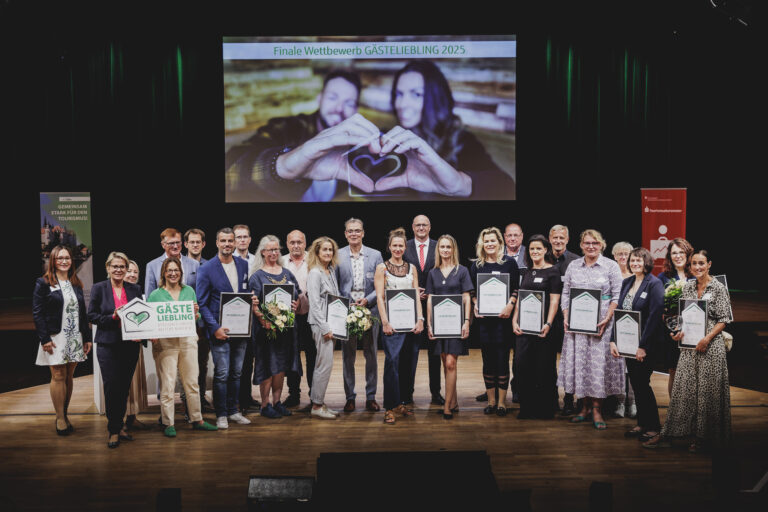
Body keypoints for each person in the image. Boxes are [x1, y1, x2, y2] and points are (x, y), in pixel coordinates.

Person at [225, 70, 377, 202]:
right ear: (320, 98)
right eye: (332, 97)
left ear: (356, 109)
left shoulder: (358, 145)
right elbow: (230, 168)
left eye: (349, 103)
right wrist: (283, 166)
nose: (339, 108)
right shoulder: (287, 128)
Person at [375, 60, 514, 200]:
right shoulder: (392, 137)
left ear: (435, 98)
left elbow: (505, 186)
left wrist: (460, 183)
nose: (402, 104)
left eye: (416, 94)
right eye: (399, 94)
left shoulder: (461, 141)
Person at [645, 250, 732, 452]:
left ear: (709, 264)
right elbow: (685, 316)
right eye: (694, 264)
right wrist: (678, 332)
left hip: (710, 347)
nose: (698, 267)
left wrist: (707, 338)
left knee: (707, 394)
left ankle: (703, 438)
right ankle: (670, 433)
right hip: (688, 347)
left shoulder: (718, 287)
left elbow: (724, 319)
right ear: (690, 266)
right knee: (682, 391)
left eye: (701, 263)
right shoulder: (689, 286)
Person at [559, 229, 624, 430]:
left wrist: (607, 318)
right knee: (581, 365)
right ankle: (584, 407)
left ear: (601, 245)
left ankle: (597, 409)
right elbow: (566, 293)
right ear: (580, 245)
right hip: (577, 326)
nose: (591, 246)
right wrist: (566, 315)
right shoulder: (573, 266)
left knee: (597, 367)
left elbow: (617, 296)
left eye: (595, 243)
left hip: (601, 326)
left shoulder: (611, 266)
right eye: (587, 243)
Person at [147, 258, 218, 437]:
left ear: (181, 272)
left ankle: (197, 419)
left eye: (176, 270)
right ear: (163, 273)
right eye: (169, 270)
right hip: (165, 343)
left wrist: (195, 312)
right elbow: (150, 319)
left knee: (192, 383)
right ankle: (168, 422)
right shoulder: (155, 294)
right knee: (168, 384)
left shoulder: (189, 291)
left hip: (187, 341)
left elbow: (196, 316)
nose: (173, 273)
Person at [196, 228, 255, 430]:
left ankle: (233, 410)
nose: (228, 244)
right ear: (217, 242)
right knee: (222, 373)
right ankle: (221, 414)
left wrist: (252, 298)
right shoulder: (207, 268)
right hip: (220, 331)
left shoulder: (244, 264)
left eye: (231, 240)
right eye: (224, 240)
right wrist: (214, 328)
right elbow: (202, 303)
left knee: (237, 373)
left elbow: (245, 293)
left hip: (241, 330)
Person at [33, 245, 92, 436]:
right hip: (54, 337)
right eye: (60, 258)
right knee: (58, 375)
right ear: (53, 261)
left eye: (67, 258)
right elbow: (38, 312)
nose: (64, 261)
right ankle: (59, 418)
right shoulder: (43, 283)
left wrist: (86, 337)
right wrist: (44, 339)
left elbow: (82, 313)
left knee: (68, 376)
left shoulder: (75, 283)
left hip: (74, 336)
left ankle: (65, 414)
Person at [88, 252, 143, 448]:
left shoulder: (135, 289)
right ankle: (113, 430)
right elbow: (92, 316)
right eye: (115, 266)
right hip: (107, 345)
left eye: (122, 267)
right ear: (108, 268)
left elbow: (141, 315)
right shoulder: (99, 288)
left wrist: (142, 334)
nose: (119, 270)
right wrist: (112, 318)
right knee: (112, 387)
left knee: (123, 388)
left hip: (130, 346)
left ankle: (119, 426)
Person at [609, 247, 664, 442]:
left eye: (639, 260)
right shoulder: (627, 282)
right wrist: (613, 340)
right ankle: (642, 423)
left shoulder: (654, 284)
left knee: (643, 385)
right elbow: (619, 315)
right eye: (632, 260)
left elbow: (654, 317)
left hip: (645, 345)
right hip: (627, 344)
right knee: (636, 384)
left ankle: (654, 427)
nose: (635, 263)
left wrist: (643, 346)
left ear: (647, 262)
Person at [469, 227, 520, 417]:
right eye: (486, 241)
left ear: (499, 242)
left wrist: (510, 305)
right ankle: (491, 401)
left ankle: (501, 402)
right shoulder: (477, 265)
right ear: (482, 244)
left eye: (493, 240)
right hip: (485, 322)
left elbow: (516, 288)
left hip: (503, 321)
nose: (490, 244)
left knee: (501, 361)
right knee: (488, 361)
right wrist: (475, 304)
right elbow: (471, 291)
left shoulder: (509, 263)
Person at [249, 235, 301, 419]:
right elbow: (254, 304)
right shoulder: (257, 276)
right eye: (270, 249)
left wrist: (296, 304)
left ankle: (277, 402)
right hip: (265, 330)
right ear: (262, 252)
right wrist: (264, 320)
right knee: (267, 366)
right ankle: (264, 405)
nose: (274, 252)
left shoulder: (287, 273)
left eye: (276, 249)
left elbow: (298, 295)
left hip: (286, 330)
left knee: (280, 367)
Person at [375, 228, 424, 425]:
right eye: (394, 245)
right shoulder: (382, 268)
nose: (397, 248)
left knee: (408, 364)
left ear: (405, 247)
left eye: (400, 245)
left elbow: (416, 295)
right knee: (391, 363)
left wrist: (420, 319)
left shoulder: (412, 268)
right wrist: (385, 321)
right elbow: (379, 296)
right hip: (392, 325)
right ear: (389, 247)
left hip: (410, 324)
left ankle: (401, 402)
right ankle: (389, 407)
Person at [511, 235, 562, 419]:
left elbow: (555, 301)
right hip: (524, 328)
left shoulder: (553, 272)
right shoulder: (526, 271)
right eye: (532, 249)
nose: (534, 252)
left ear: (546, 250)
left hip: (544, 329)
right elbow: (520, 299)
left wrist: (548, 323)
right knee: (523, 366)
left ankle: (546, 408)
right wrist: (514, 320)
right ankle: (527, 407)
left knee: (544, 367)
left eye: (538, 249)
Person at [335, 218, 382, 412]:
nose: (354, 234)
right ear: (345, 234)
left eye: (357, 231)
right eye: (350, 231)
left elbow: (381, 283)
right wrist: (344, 304)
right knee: (348, 356)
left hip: (370, 310)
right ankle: (350, 397)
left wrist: (368, 300)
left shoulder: (375, 255)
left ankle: (371, 396)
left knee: (371, 355)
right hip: (347, 311)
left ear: (363, 233)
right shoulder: (337, 255)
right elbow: (334, 283)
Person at [425, 235, 472, 419]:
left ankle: (447, 405)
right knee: (446, 364)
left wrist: (467, 321)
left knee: (451, 363)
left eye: (448, 247)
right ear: (438, 250)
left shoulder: (462, 271)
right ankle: (454, 401)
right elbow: (429, 299)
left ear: (454, 249)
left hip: (456, 325)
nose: (445, 250)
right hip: (439, 326)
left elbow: (467, 297)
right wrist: (429, 324)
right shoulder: (432, 272)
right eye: (442, 247)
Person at [403, 214, 443, 406]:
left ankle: (436, 392)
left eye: (424, 225)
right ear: (412, 227)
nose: (421, 228)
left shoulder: (439, 246)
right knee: (410, 353)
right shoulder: (404, 246)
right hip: (411, 308)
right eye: (417, 225)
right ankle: (407, 393)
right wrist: (412, 291)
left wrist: (430, 291)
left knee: (435, 353)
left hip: (434, 306)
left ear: (429, 227)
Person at [305, 236, 342, 419]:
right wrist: (325, 327)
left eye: (330, 250)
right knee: (323, 365)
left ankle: (319, 401)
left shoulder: (330, 270)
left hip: (332, 324)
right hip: (321, 325)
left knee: (325, 364)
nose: (328, 253)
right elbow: (314, 303)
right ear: (317, 252)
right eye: (324, 250)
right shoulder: (315, 273)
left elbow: (334, 297)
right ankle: (317, 406)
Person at [549, 224, 581, 415]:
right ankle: (551, 398)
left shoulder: (576, 261)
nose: (558, 241)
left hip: (571, 319)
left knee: (570, 361)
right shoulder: (543, 258)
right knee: (548, 360)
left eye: (562, 238)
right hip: (549, 318)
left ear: (567, 240)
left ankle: (569, 399)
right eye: (555, 238)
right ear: (550, 239)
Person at [281, 230, 316, 408]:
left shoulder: (314, 259)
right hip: (288, 316)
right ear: (287, 244)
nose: (296, 245)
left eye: (299, 242)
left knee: (312, 356)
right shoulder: (280, 261)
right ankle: (293, 394)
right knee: (291, 356)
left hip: (311, 316)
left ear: (305, 243)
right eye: (292, 242)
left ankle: (313, 396)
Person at [657, 237, 694, 397]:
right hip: (673, 331)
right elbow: (659, 307)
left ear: (688, 254)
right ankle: (674, 413)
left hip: (694, 330)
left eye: (681, 252)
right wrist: (674, 328)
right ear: (669, 256)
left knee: (693, 371)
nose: (678, 256)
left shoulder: (696, 274)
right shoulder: (663, 277)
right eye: (674, 253)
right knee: (674, 369)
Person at [184, 229, 213, 412]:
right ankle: (186, 401)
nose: (195, 245)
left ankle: (201, 399)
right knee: (185, 365)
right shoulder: (178, 265)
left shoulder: (210, 265)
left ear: (203, 244)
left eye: (198, 242)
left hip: (203, 325)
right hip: (183, 324)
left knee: (202, 363)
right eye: (191, 242)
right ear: (185, 244)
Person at [610, 241, 636, 418]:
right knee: (618, 364)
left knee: (632, 366)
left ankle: (633, 402)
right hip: (612, 325)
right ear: (613, 256)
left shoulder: (638, 276)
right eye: (619, 253)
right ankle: (620, 401)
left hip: (633, 326)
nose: (623, 257)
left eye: (626, 253)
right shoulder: (610, 274)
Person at [123, 260, 148, 430]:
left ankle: (132, 417)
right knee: (123, 385)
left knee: (134, 384)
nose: (132, 274)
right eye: (129, 271)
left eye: (135, 272)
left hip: (136, 346)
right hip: (119, 347)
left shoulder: (139, 293)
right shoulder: (115, 292)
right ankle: (121, 420)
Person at [145, 228, 200, 298]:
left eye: (178, 242)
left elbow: (199, 293)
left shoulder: (194, 264)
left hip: (188, 307)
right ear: (163, 245)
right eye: (171, 243)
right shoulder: (152, 266)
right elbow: (149, 296)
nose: (175, 246)